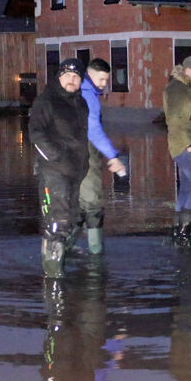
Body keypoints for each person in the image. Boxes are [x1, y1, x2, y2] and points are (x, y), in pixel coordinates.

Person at [29, 58, 90, 274]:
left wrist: (85, 162)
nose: (71, 80)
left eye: (76, 77)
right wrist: (55, 157)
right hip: (53, 172)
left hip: (75, 171)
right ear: (59, 76)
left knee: (71, 219)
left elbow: (82, 137)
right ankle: (53, 280)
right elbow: (36, 133)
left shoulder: (81, 104)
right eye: (67, 76)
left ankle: (59, 265)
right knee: (57, 223)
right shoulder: (46, 101)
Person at [77, 58, 127, 255]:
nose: (104, 84)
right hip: (84, 153)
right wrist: (113, 157)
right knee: (93, 204)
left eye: (106, 80)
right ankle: (96, 256)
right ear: (89, 75)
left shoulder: (79, 91)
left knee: (79, 204)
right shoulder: (88, 95)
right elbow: (94, 130)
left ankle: (67, 249)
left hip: (72, 153)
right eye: (101, 79)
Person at [163, 54, 191, 245]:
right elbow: (175, 119)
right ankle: (184, 232)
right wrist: (189, 144)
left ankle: (177, 229)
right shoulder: (178, 90)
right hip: (185, 146)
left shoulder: (180, 88)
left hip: (182, 145)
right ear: (187, 71)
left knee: (187, 188)